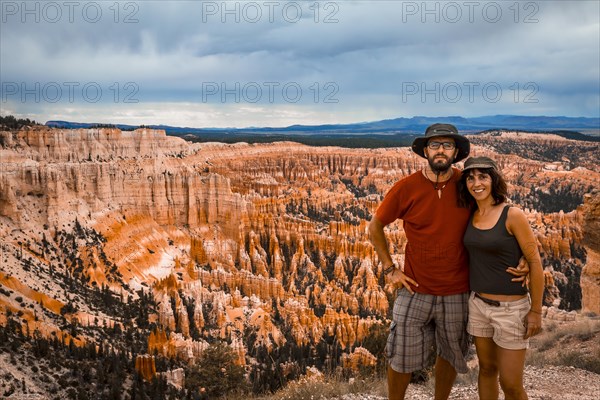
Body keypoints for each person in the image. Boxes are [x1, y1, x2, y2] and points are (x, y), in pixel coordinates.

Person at [368, 123, 527, 400]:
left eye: (447, 145)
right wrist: (389, 268)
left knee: (450, 354)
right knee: (401, 354)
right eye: (435, 145)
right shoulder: (405, 188)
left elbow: (498, 218)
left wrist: (524, 253)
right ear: (425, 150)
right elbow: (375, 227)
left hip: (458, 290)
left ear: (456, 152)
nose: (441, 150)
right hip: (415, 287)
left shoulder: (466, 185)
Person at [459, 156, 543, 400]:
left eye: (483, 176)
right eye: (471, 178)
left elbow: (535, 262)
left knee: (511, 384)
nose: (477, 183)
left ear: (493, 180)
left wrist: (536, 311)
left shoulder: (511, 214)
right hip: (478, 305)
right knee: (486, 370)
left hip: (511, 309)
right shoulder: (470, 213)